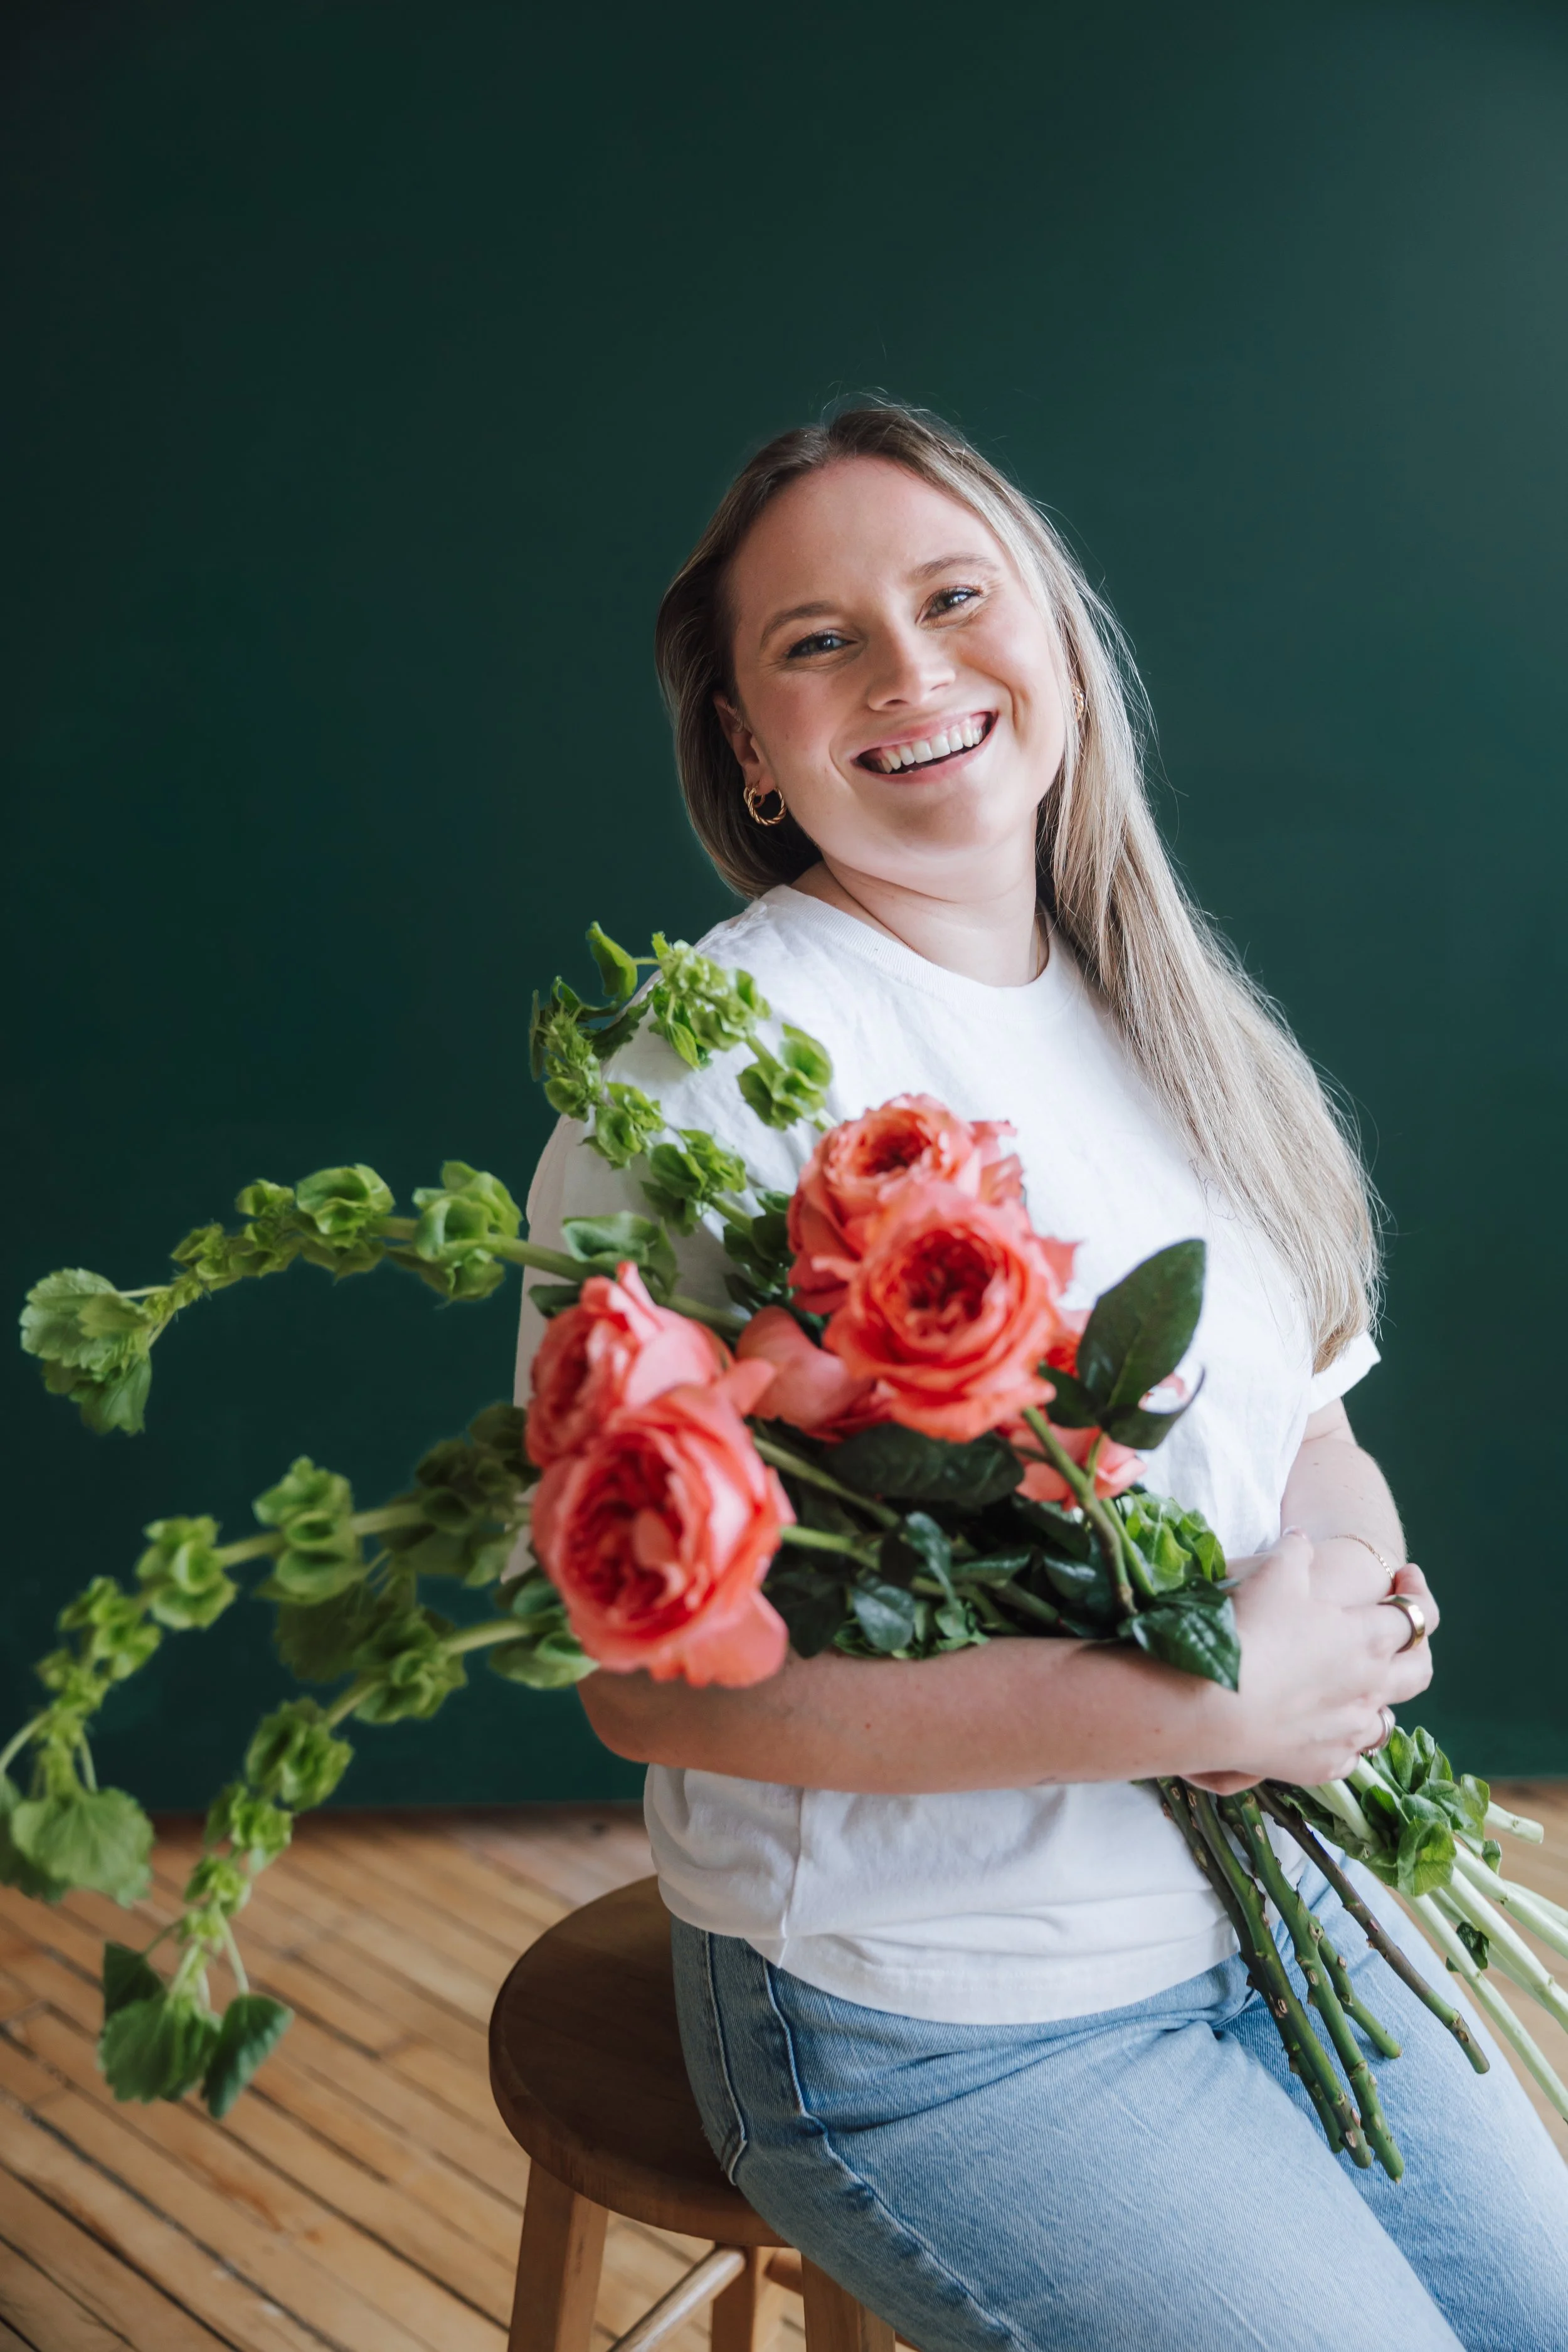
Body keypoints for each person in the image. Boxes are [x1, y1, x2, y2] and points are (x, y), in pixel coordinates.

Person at [514, 406, 1568, 2350]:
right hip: (945, 2013)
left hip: (1287, 1906)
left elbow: (1310, 1427)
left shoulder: (1163, 1013)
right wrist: (1196, 1699)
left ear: (1059, 645)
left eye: (951, 598)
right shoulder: (707, 1077)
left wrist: (1349, 1616)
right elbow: (648, 1682)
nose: (907, 671)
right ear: (746, 748)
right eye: (817, 640)